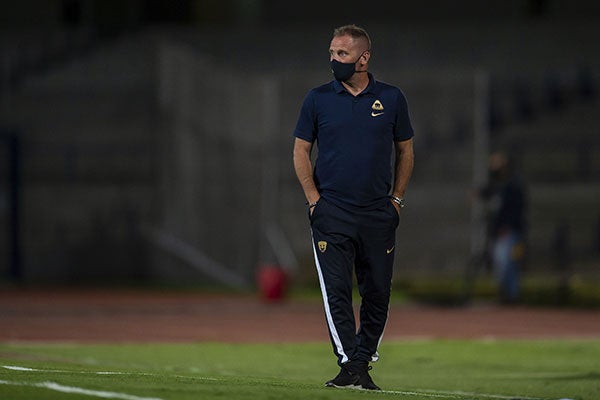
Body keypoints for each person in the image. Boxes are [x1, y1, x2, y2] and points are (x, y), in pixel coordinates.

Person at [292, 24, 414, 391]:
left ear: (364, 58)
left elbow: (405, 150)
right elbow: (300, 150)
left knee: (378, 291)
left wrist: (396, 200)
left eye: (342, 54)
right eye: (331, 53)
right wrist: (315, 201)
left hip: (379, 213)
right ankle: (350, 363)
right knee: (337, 292)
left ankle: (359, 364)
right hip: (332, 214)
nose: (334, 60)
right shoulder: (317, 99)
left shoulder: (391, 98)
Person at [479, 152, 527, 303]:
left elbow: (517, 208)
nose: (493, 168)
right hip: (499, 233)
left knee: (508, 263)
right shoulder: (497, 185)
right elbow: (486, 191)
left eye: (496, 164)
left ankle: (512, 296)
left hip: (511, 232)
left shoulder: (513, 185)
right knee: (501, 263)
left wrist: (508, 226)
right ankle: (507, 295)